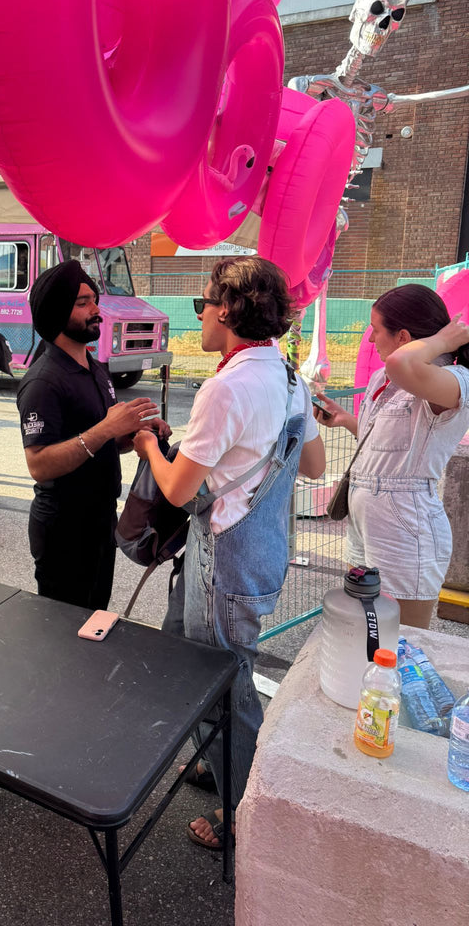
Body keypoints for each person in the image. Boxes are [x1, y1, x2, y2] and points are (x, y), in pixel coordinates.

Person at [132, 256, 325, 851]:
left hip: (225, 562)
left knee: (225, 682)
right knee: (181, 652)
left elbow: (178, 489)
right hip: (259, 552)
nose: (199, 316)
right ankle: (219, 764)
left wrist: (147, 444)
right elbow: (313, 466)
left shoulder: (227, 386)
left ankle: (243, 808)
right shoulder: (290, 379)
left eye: (201, 305)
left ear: (227, 311)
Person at [17, 259, 169, 610]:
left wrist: (133, 435)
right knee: (65, 638)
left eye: (94, 300)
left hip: (101, 522)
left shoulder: (95, 368)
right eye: (83, 302)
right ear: (57, 312)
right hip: (63, 531)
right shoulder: (43, 382)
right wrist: (105, 429)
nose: (96, 310)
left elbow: (102, 444)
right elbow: (39, 464)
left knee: (95, 620)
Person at [316, 283, 469, 630]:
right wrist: (346, 421)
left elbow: (404, 362)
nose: (371, 340)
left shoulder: (454, 380)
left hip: (406, 529)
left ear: (402, 337)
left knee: (403, 640)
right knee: (367, 632)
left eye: (375, 330)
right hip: (369, 523)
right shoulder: (384, 377)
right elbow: (391, 449)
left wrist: (446, 339)